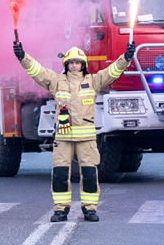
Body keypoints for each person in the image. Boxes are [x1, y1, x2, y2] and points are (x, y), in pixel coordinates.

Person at [13, 41, 136, 222]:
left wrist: (126, 57)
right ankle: (60, 210)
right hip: (63, 139)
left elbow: (112, 71)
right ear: (66, 65)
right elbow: (38, 72)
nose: (74, 66)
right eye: (71, 63)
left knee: (89, 175)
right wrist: (22, 57)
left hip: (86, 139)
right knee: (60, 174)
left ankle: (90, 209)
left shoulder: (93, 81)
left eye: (78, 63)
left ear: (83, 64)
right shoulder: (57, 81)